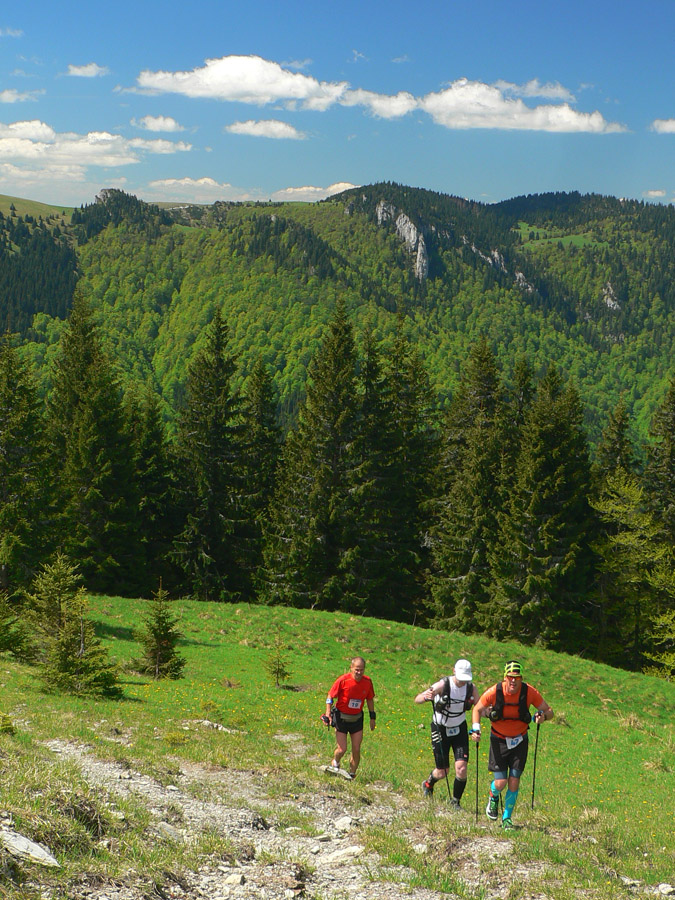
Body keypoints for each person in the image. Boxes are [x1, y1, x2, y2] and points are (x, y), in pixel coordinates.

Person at [470, 659, 553, 830]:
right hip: (498, 740)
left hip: (520, 740)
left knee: (514, 780)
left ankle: (507, 818)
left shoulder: (529, 692)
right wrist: (476, 729)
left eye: (517, 677)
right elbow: (477, 709)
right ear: (505, 677)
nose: (514, 680)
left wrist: (543, 717)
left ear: (521, 678)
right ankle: (493, 796)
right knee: (501, 782)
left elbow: (549, 711)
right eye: (510, 677)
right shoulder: (494, 691)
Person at [414, 658, 479, 808]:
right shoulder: (443, 685)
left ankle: (455, 801)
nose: (463, 682)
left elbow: (479, 707)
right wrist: (426, 697)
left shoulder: (471, 688)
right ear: (454, 671)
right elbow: (417, 699)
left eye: (466, 679)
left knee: (461, 768)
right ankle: (428, 784)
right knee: (443, 771)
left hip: (459, 729)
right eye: (461, 678)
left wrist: (491, 714)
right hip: (440, 728)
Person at [321, 656, 376, 780]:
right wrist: (328, 713)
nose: (359, 672)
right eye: (356, 669)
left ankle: (352, 775)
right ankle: (336, 761)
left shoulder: (367, 682)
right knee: (342, 749)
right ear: (351, 668)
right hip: (341, 718)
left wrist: (372, 717)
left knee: (356, 749)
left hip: (357, 719)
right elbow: (330, 695)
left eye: (361, 670)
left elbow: (370, 699)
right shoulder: (343, 680)